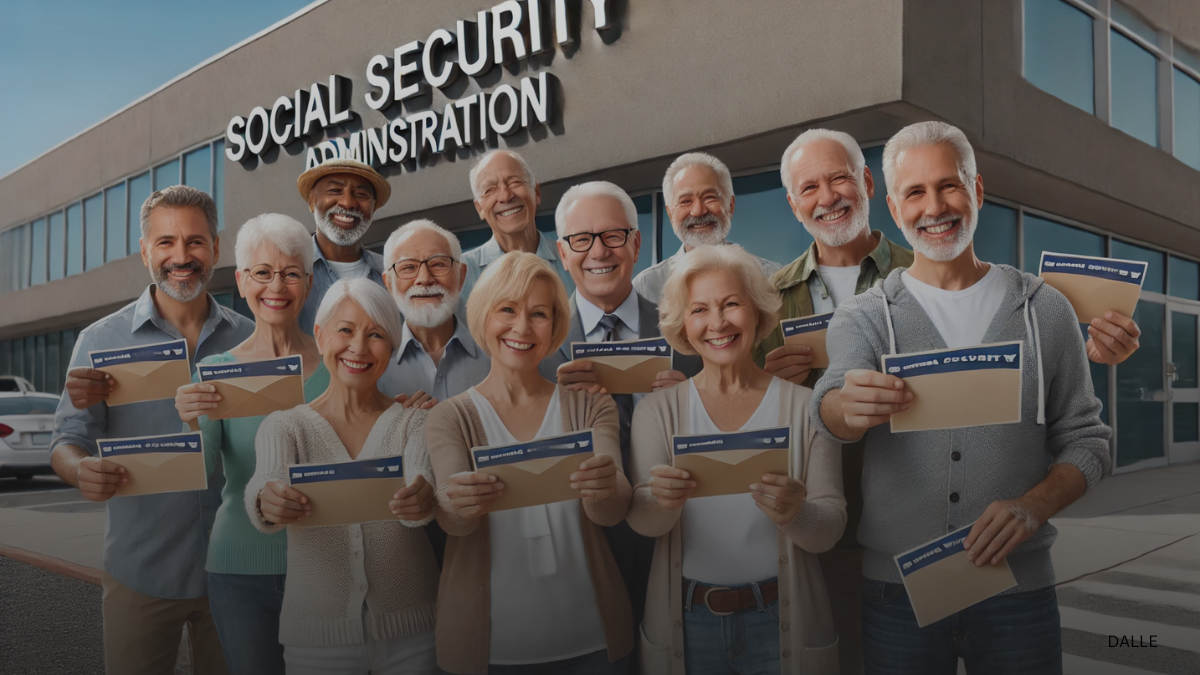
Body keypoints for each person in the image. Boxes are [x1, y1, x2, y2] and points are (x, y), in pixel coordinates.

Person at [812, 121, 1112, 675]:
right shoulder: (863, 316)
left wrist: (1033, 506)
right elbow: (832, 403)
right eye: (915, 193)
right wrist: (843, 408)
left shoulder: (1046, 310)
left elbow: (1088, 441)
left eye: (949, 185)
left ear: (976, 191)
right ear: (895, 211)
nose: (935, 206)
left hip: (1018, 592)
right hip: (896, 595)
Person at [50, 185, 253, 675]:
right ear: (145, 251)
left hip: (237, 570)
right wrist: (82, 472)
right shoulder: (98, 341)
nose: (180, 256)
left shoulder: (252, 337)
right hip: (140, 570)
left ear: (216, 248)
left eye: (194, 242)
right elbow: (66, 441)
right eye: (165, 242)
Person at [627, 244, 845, 675]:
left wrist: (797, 513)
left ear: (759, 314)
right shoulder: (656, 411)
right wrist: (661, 502)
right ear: (682, 324)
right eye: (699, 310)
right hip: (687, 626)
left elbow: (830, 528)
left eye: (731, 304)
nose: (717, 323)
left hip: (784, 619)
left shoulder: (808, 408)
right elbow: (643, 520)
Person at [425, 251, 633, 675]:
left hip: (595, 640)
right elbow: (454, 520)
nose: (522, 327)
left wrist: (606, 484)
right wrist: (456, 502)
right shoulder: (449, 417)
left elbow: (612, 511)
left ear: (555, 325)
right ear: (483, 315)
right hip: (490, 651)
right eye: (507, 310)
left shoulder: (592, 407)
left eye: (539, 313)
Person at [245, 278, 439, 675]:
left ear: (393, 346)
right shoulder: (285, 426)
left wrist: (423, 495)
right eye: (345, 330)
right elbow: (265, 480)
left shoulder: (414, 422)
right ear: (319, 335)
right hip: (315, 638)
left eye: (377, 335)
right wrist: (267, 500)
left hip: (414, 633)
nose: (359, 347)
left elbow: (424, 476)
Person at [546, 181, 697, 660]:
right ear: (562, 253)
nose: (599, 251)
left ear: (635, 242)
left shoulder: (692, 332)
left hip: (680, 545)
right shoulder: (534, 347)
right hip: (580, 553)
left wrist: (694, 406)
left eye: (613, 235)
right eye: (582, 239)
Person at [172, 213, 327, 675]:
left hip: (326, 566)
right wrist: (191, 421)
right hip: (238, 569)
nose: (276, 285)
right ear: (241, 282)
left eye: (290, 272)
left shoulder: (339, 363)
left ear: (308, 282)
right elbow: (196, 474)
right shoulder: (215, 370)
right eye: (262, 272)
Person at [632, 152, 782, 304]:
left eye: (710, 197)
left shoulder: (771, 277)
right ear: (670, 214)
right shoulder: (645, 287)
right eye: (685, 201)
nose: (698, 211)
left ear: (730, 205)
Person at [377, 219, 490, 403]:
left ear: (461, 276)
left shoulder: (497, 355)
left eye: (438, 264)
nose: (424, 278)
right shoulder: (373, 367)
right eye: (408, 267)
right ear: (389, 283)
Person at [459, 149, 574, 301]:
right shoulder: (461, 274)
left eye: (514, 182)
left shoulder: (574, 258)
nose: (505, 196)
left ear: (536, 192)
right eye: (490, 190)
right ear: (479, 208)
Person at [295, 158, 392, 334]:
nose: (348, 203)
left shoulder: (392, 274)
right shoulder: (288, 270)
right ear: (311, 201)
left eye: (361, 194)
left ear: (374, 207)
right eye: (335, 190)